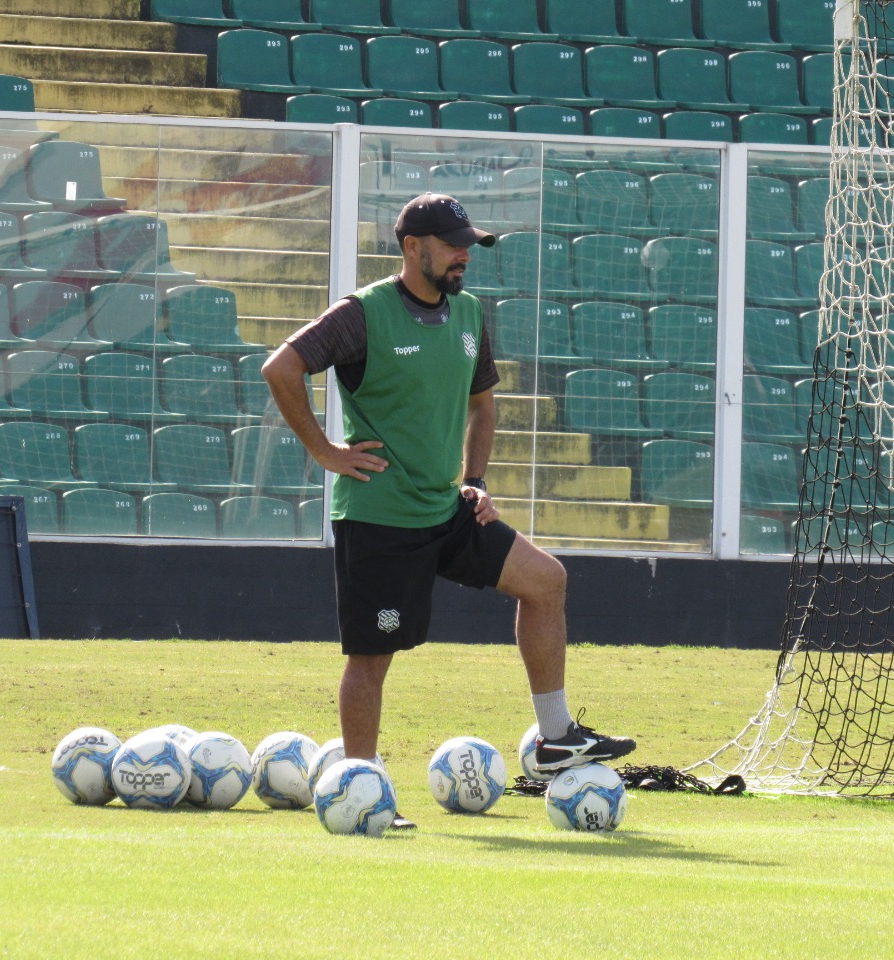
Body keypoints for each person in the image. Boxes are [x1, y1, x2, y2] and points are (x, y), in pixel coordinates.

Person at [262, 193, 635, 828]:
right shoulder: (364, 313)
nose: (465, 255)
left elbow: (483, 404)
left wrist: (476, 480)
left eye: (469, 245)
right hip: (380, 515)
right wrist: (325, 450)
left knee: (546, 580)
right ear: (414, 248)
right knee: (370, 659)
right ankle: (362, 789)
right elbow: (282, 366)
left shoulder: (467, 313)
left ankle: (554, 738)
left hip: (447, 507)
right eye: (454, 244)